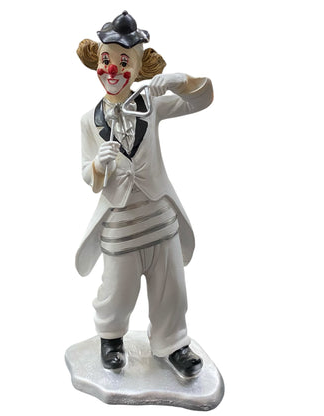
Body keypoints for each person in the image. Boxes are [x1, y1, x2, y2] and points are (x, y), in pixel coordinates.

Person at [75, 11, 213, 377]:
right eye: (106, 60)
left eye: (124, 63)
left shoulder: (151, 106)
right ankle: (110, 337)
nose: (112, 70)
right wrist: (98, 166)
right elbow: (87, 174)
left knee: (171, 288)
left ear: (137, 70)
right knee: (116, 290)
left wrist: (180, 82)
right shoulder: (89, 121)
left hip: (159, 217)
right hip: (119, 224)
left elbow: (200, 99)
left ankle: (173, 341)